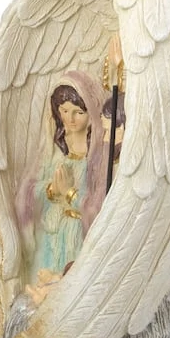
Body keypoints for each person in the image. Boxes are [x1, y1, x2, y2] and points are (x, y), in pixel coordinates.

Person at [16, 71, 107, 283]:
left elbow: (100, 204)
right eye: (64, 111)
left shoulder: (98, 156)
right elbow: (28, 190)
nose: (70, 119)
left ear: (91, 114)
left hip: (78, 236)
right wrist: (51, 190)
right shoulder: (53, 148)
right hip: (51, 234)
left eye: (78, 112)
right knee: (42, 283)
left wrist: (70, 193)